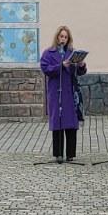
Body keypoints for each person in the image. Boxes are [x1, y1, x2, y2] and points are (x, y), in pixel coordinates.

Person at [41, 25, 87, 162]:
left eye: (66, 37)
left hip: (70, 92)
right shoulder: (49, 53)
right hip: (56, 92)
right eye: (61, 36)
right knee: (58, 121)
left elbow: (80, 73)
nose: (63, 39)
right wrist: (60, 66)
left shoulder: (72, 53)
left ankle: (70, 154)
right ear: (57, 37)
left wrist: (81, 65)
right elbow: (45, 68)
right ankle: (58, 153)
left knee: (70, 122)